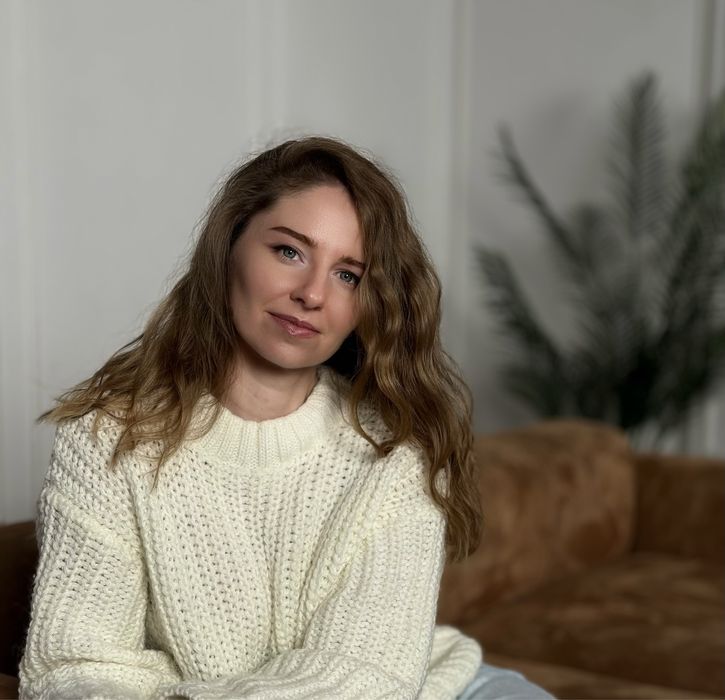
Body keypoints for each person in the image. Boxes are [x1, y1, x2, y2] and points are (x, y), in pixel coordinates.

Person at [18, 136, 554, 699]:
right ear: (228, 246)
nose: (312, 294)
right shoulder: (107, 442)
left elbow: (366, 678)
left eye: (348, 275)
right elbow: (72, 668)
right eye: (289, 252)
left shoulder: (396, 453)